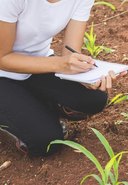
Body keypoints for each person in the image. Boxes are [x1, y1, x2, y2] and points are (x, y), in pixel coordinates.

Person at [0, 0, 119, 156]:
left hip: (38, 63)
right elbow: (3, 58)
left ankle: (29, 107)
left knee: (94, 99)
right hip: (3, 69)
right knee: (46, 142)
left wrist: (87, 76)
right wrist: (61, 64)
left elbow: (71, 52)